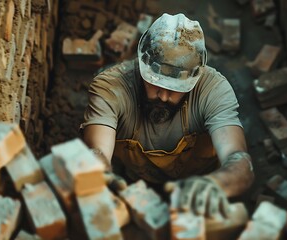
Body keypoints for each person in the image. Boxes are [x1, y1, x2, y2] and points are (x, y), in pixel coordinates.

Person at [81, 13, 254, 218]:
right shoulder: (110, 88)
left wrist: (216, 184)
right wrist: (98, 173)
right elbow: (98, 150)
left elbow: (239, 160)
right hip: (136, 180)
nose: (163, 96)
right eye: (155, 83)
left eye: (175, 88)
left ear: (196, 76)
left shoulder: (214, 90)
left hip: (197, 187)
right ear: (142, 62)